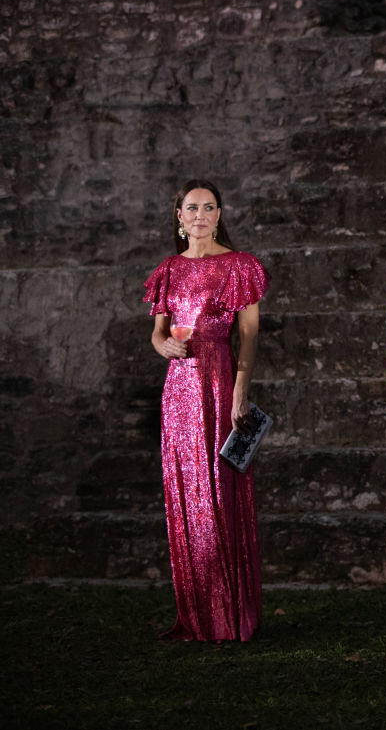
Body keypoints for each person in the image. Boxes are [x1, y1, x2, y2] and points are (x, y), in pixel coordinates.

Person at [143, 179, 270, 642]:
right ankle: (198, 613)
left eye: (209, 207)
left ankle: (231, 613)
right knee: (186, 493)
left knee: (220, 489)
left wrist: (241, 388)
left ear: (220, 214)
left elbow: (251, 334)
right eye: (192, 207)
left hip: (220, 378)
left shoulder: (240, 266)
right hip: (179, 389)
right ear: (179, 215)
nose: (200, 214)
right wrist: (164, 346)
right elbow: (158, 334)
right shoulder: (168, 270)